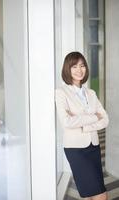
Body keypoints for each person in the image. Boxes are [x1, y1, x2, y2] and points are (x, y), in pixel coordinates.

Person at [55, 52, 109, 200]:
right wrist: (93, 117)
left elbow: (105, 119)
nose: (79, 70)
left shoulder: (91, 93)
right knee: (100, 194)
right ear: (67, 69)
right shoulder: (61, 92)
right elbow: (66, 122)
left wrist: (84, 125)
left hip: (94, 147)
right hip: (76, 150)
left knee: (88, 194)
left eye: (82, 65)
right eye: (74, 66)